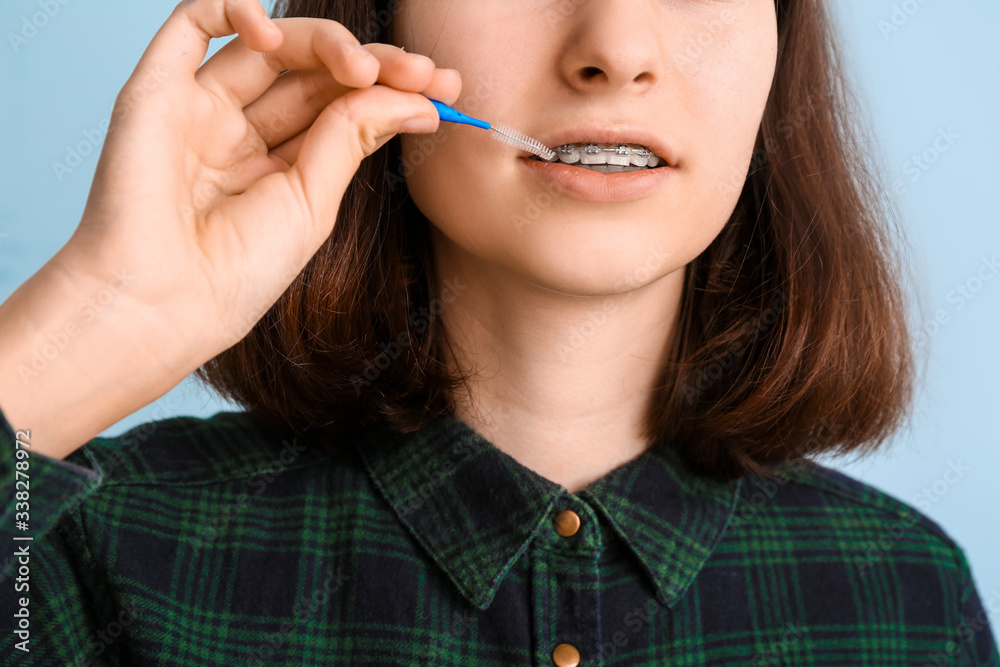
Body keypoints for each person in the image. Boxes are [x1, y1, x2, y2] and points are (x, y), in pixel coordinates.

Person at [1, 0, 997, 664]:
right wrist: (97, 319)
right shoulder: (91, 552)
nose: (615, 48)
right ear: (374, 21)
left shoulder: (908, 601)